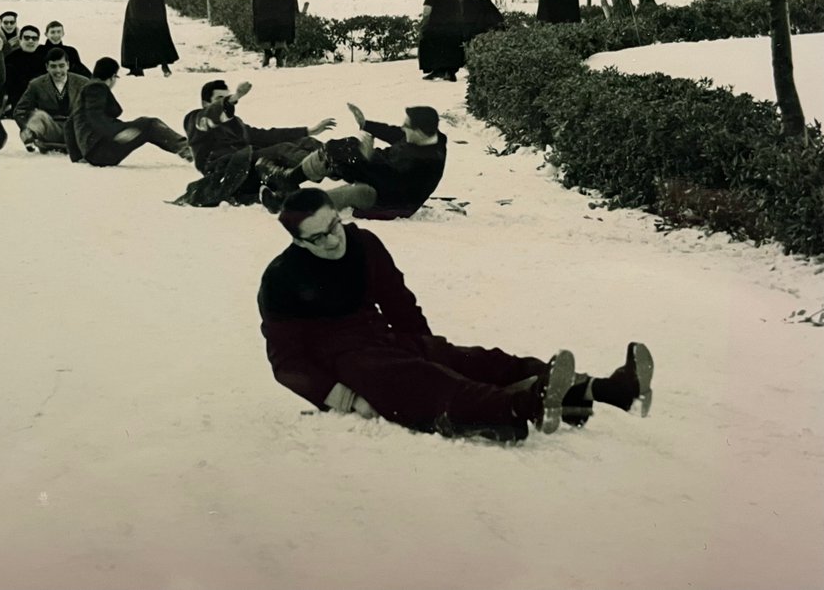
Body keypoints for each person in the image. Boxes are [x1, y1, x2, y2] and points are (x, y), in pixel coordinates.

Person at [258, 188, 656, 442]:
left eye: (334, 225)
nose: (333, 239)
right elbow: (286, 362)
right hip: (346, 361)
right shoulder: (281, 279)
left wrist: (428, 344)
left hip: (382, 338)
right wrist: (346, 399)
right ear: (298, 241)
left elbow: (398, 301)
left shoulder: (363, 243)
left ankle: (609, 390)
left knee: (479, 361)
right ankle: (527, 404)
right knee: (431, 382)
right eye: (318, 237)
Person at [259, 104, 447, 220]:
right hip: (383, 175)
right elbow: (395, 134)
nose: (402, 128)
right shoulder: (425, 136)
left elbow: (392, 180)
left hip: (391, 202)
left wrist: (369, 156)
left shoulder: (428, 161)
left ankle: (286, 204)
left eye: (407, 126)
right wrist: (366, 124)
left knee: (356, 192)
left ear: (421, 132)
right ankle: (290, 178)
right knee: (341, 147)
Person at [175, 80, 334, 206]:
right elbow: (210, 116)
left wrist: (308, 131)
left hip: (250, 165)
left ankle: (340, 161)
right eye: (219, 99)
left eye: (226, 97)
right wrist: (233, 98)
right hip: (228, 172)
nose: (225, 102)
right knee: (283, 150)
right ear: (205, 103)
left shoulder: (235, 124)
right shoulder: (195, 119)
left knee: (305, 142)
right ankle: (328, 167)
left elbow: (266, 135)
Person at [65, 57, 192, 167]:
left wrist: (77, 156)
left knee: (145, 127)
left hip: (94, 153)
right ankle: (188, 149)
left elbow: (69, 124)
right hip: (101, 150)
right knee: (150, 124)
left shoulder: (86, 89)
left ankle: (184, 148)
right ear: (113, 76)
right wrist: (116, 133)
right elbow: (95, 116)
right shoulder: (97, 88)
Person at [13, 47, 91, 153]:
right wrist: (25, 129)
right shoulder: (36, 84)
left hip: (75, 130)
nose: (58, 70)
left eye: (61, 66)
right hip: (50, 129)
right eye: (53, 66)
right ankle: (32, 139)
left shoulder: (83, 82)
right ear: (47, 67)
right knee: (39, 115)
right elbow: (20, 111)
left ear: (68, 65)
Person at [1, 25, 46, 118]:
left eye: (34, 38)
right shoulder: (11, 58)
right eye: (27, 38)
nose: (30, 41)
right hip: (19, 105)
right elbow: (8, 86)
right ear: (20, 40)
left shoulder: (45, 57)